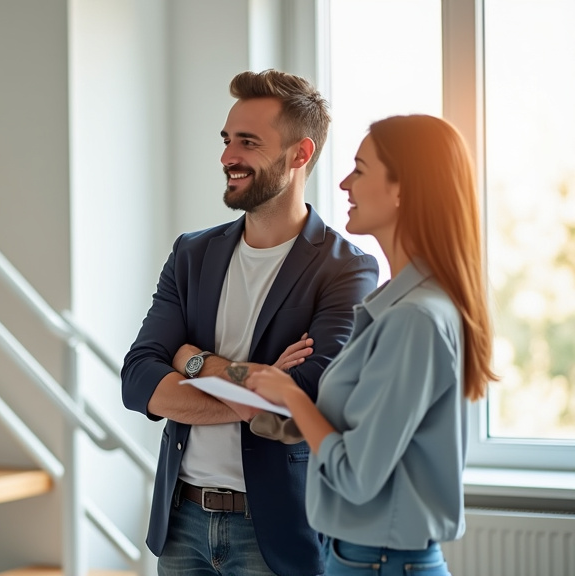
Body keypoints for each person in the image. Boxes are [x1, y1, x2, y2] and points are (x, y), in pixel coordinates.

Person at [120, 69, 379, 576]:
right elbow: (137, 379)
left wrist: (193, 360)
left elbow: (302, 403)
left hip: (275, 533)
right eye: (226, 140)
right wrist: (262, 380)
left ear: (300, 154)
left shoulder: (346, 267)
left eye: (247, 142)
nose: (227, 157)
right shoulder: (192, 253)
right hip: (181, 525)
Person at [245, 114, 497, 575]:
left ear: (403, 189)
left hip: (377, 563)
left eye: (359, 169)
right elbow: (363, 434)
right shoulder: (397, 306)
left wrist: (292, 397)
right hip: (363, 558)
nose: (343, 183)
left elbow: (356, 476)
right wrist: (276, 411)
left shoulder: (414, 320)